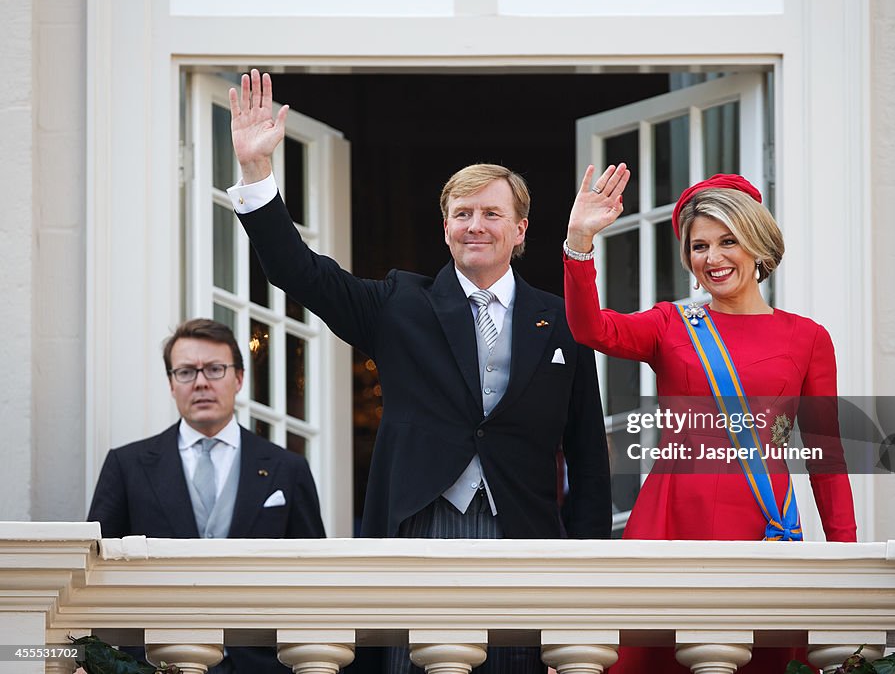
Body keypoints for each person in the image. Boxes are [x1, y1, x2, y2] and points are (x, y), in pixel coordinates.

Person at [227, 70, 611, 674]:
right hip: (418, 532)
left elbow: (586, 452)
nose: (475, 225)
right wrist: (256, 175)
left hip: (525, 538)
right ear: (446, 227)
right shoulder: (399, 303)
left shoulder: (560, 320)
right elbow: (299, 271)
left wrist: (589, 575)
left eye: (491, 213)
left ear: (521, 230)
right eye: (462, 213)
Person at [563, 165, 857, 673]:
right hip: (673, 520)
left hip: (764, 526)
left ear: (759, 245)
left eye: (728, 241)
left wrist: (846, 564)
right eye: (699, 247)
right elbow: (592, 329)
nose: (713, 258)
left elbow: (827, 459)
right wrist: (579, 242)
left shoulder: (807, 337)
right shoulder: (670, 324)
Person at [88, 317, 326, 674]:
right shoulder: (127, 465)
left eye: (214, 369)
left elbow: (313, 576)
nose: (200, 382)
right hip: (155, 663)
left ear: (239, 378)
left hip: (262, 666)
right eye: (185, 372)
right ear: (171, 383)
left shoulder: (286, 468)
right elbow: (94, 573)